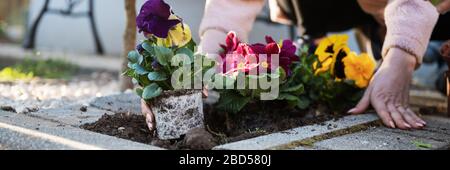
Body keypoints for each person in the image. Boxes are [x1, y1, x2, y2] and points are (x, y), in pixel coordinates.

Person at [142, 0, 450, 131]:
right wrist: (209, 56)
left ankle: (428, 51)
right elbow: (231, 5)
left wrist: (401, 58)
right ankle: (321, 39)